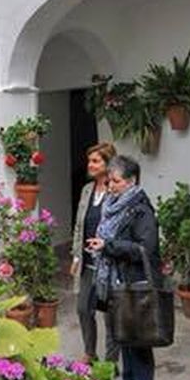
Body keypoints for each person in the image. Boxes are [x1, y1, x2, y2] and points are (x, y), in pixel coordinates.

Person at [84, 154, 159, 380]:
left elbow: (145, 249)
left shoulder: (140, 209)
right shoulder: (116, 206)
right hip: (119, 282)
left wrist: (109, 246)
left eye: (116, 181)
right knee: (125, 337)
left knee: (139, 342)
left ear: (131, 181)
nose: (111, 185)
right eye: (110, 180)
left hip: (135, 283)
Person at [69, 141, 119, 365]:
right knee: (83, 309)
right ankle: (90, 352)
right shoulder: (87, 190)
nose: (90, 164)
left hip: (109, 262)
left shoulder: (117, 191)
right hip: (88, 261)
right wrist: (76, 256)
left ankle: (110, 363)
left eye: (96, 161)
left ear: (108, 164)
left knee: (111, 316)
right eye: (90, 160)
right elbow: (80, 225)